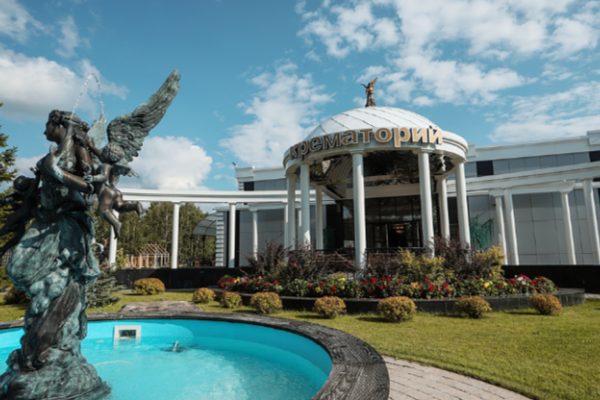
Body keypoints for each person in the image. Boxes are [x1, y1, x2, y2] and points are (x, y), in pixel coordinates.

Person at [85, 141, 143, 238]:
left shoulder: (104, 165)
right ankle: (135, 206)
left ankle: (116, 223)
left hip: (106, 191)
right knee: (119, 207)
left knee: (104, 211)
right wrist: (91, 147)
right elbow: (100, 155)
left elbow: (104, 177)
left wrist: (93, 178)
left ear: (106, 155)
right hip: (115, 190)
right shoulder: (114, 166)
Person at [0, 171, 41, 257]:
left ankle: (2, 250)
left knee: (19, 238)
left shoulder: (32, 194)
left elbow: (39, 189)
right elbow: (34, 186)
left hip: (21, 221)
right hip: (15, 219)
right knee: (2, 233)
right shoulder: (27, 194)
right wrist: (38, 176)